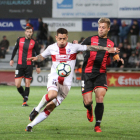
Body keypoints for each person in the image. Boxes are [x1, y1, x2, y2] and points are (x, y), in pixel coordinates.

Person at [25, 28, 119, 132]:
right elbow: (41, 57)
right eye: (59, 38)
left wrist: (106, 49)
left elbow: (91, 47)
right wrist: (35, 58)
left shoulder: (74, 47)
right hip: (55, 77)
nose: (62, 41)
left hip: (66, 83)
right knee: (52, 95)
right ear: (56, 37)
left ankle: (30, 125)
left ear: (67, 38)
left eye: (64, 39)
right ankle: (36, 109)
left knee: (51, 107)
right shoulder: (51, 48)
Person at [80, 18, 124, 133]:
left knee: (100, 97)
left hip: (100, 73)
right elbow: (79, 49)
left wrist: (119, 61)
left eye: (103, 27)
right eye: (99, 27)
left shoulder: (111, 44)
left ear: (108, 29)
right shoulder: (90, 39)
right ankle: (89, 109)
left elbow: (115, 58)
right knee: (88, 102)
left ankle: (97, 125)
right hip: (87, 73)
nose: (101, 29)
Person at [9, 26, 41, 106]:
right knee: (17, 84)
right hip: (19, 65)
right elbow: (15, 49)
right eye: (27, 31)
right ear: (25, 32)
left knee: (27, 83)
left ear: (32, 33)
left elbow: (38, 55)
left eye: (30, 32)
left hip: (29, 66)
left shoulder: (34, 42)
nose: (29, 33)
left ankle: (25, 101)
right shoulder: (19, 40)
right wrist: (11, 59)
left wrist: (38, 66)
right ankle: (24, 96)